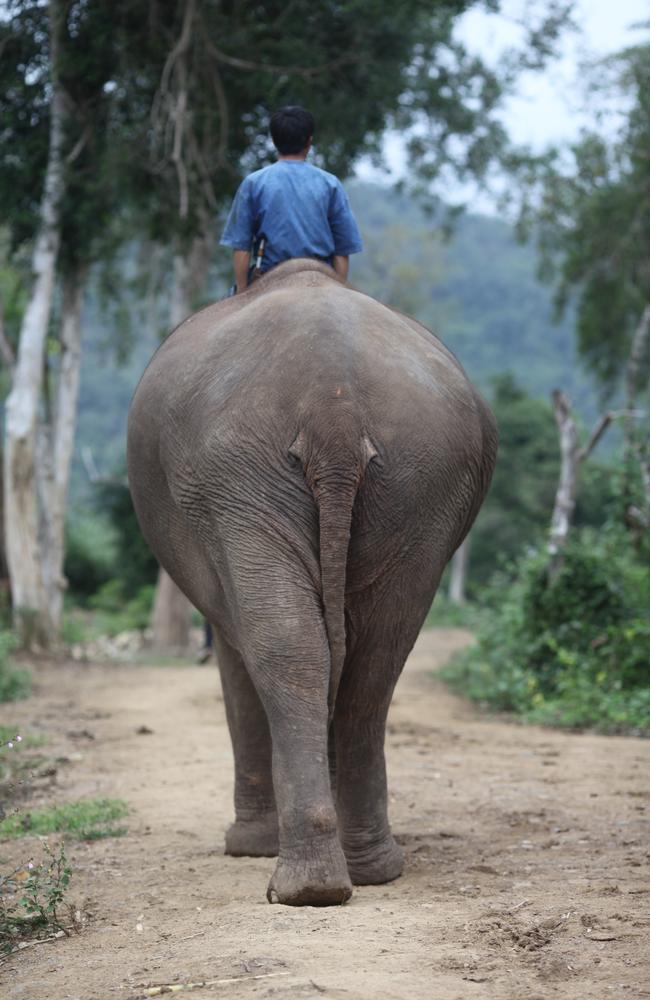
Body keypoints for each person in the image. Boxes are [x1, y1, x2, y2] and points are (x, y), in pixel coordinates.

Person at [220, 105, 363, 292]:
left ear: (274, 140)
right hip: (322, 279)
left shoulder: (254, 183)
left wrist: (241, 291)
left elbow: (241, 248)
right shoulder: (330, 184)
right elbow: (342, 252)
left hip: (270, 275)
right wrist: (340, 292)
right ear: (309, 141)